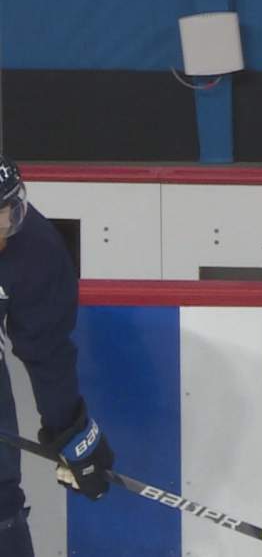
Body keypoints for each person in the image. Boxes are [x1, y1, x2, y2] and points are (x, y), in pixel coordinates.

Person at [0, 156, 116, 557]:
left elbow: (46, 349)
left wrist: (70, 430)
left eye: (9, 214)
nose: (4, 230)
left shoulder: (32, 246)